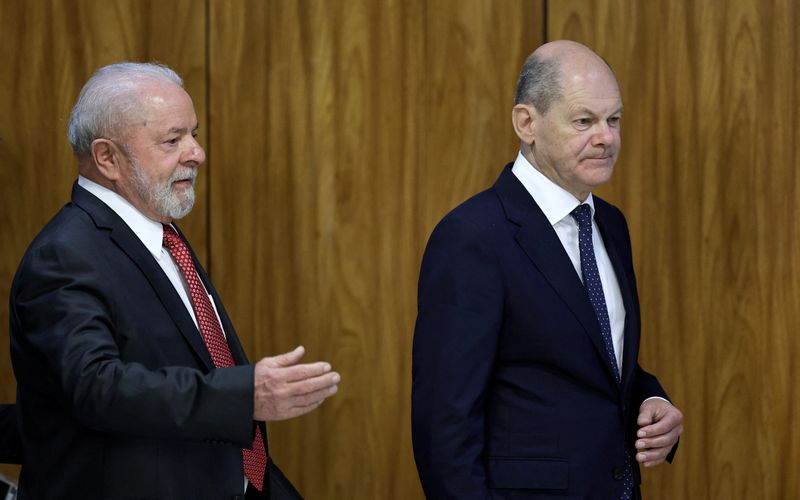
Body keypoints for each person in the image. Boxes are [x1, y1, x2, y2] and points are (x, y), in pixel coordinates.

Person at [9, 62, 340, 500]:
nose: (197, 152)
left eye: (194, 133)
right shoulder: (65, 254)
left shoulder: (156, 227)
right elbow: (98, 387)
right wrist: (244, 396)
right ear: (108, 158)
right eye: (173, 140)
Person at [411, 40, 683, 499]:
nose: (607, 137)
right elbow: (445, 426)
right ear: (526, 123)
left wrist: (651, 398)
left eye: (613, 120)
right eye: (584, 121)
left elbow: (593, 364)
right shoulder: (473, 237)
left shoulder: (610, 224)